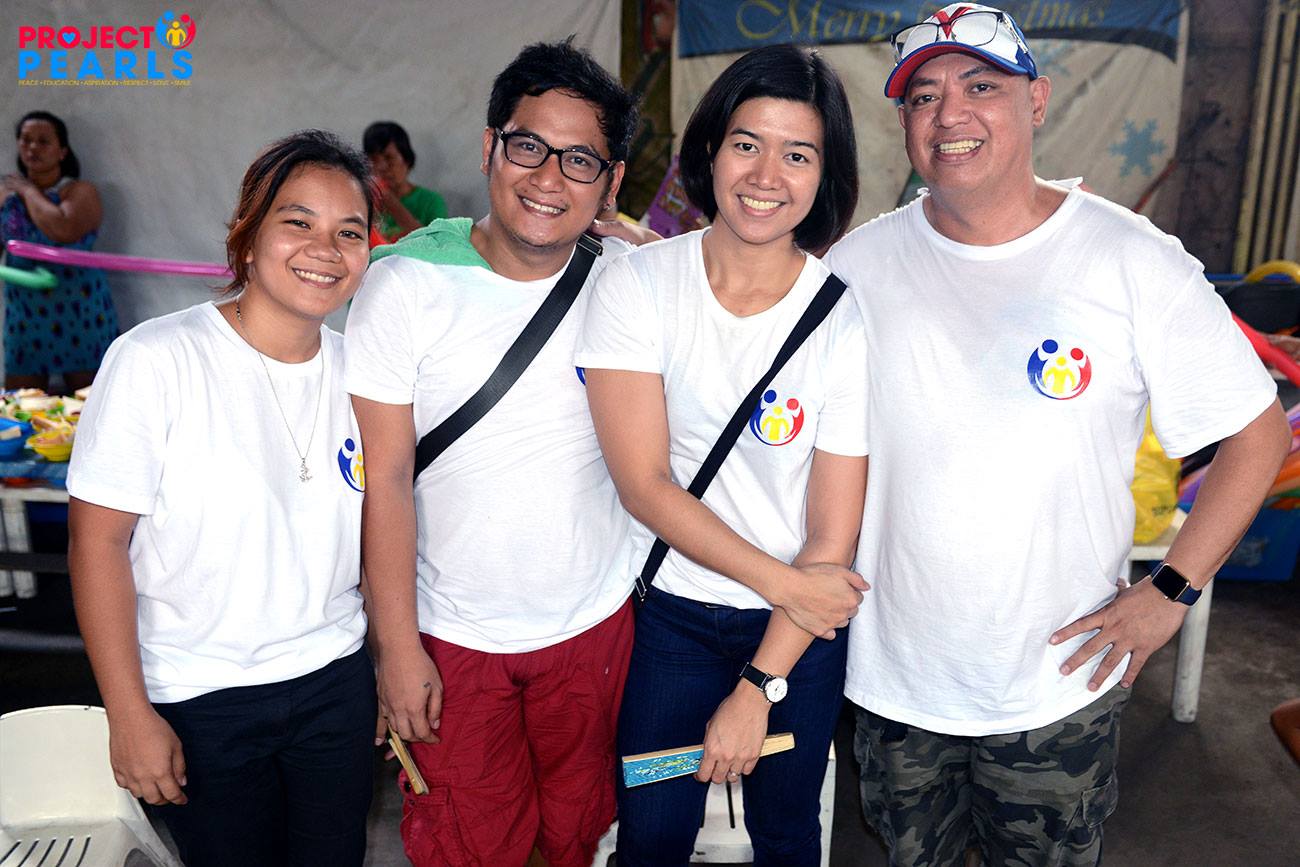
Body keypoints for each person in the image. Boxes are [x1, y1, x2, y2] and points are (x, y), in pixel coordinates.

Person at [823, 5, 1292, 864]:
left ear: (1035, 102)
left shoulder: (1131, 258)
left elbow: (1257, 435)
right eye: (924, 96)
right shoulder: (857, 266)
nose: (950, 114)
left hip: (1056, 685)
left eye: (981, 87)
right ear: (905, 122)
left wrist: (1171, 591)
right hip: (897, 681)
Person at [344, 41, 642, 867]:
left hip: (593, 627)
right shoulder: (403, 287)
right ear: (489, 147)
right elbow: (384, 480)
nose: (548, 177)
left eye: (580, 160)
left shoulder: (631, 280)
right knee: (468, 845)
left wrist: (640, 235)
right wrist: (396, 647)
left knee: (578, 832)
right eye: (528, 146)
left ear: (611, 181)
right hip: (452, 638)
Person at [577, 44, 867, 865]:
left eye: (798, 154)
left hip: (795, 641)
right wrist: (791, 585)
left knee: (786, 835)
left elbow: (832, 536)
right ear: (710, 151)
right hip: (671, 623)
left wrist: (761, 682)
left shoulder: (840, 318)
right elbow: (644, 484)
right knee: (652, 836)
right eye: (747, 143)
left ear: (824, 174)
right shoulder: (638, 286)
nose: (767, 175)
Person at [67, 130, 377, 867]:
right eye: (297, 222)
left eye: (349, 232)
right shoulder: (155, 359)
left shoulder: (366, 375)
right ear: (248, 231)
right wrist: (129, 712)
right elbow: (96, 543)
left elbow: (378, 531)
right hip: (199, 693)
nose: (324, 249)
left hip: (333, 679)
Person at [1, 110, 118, 391]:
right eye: (25, 140)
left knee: (88, 399)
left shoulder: (80, 192)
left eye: (43, 141)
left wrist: (28, 191)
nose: (32, 148)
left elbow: (63, 230)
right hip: (26, 314)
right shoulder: (6, 196)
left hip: (80, 311)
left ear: (62, 151)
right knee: (20, 400)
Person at [364, 121, 448, 242]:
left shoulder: (431, 202)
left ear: (407, 159)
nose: (380, 167)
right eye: (373, 160)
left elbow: (438, 244)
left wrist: (390, 201)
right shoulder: (364, 202)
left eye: (389, 158)